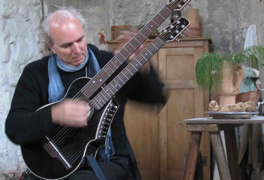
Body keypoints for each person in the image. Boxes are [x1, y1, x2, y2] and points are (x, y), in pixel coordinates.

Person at [5, 7, 166, 180]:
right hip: (53, 165)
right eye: (67, 45)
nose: (77, 50)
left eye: (80, 40)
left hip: (107, 161)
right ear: (51, 47)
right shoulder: (36, 73)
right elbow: (15, 127)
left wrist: (144, 67)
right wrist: (54, 114)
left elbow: (156, 99)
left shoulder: (109, 63)